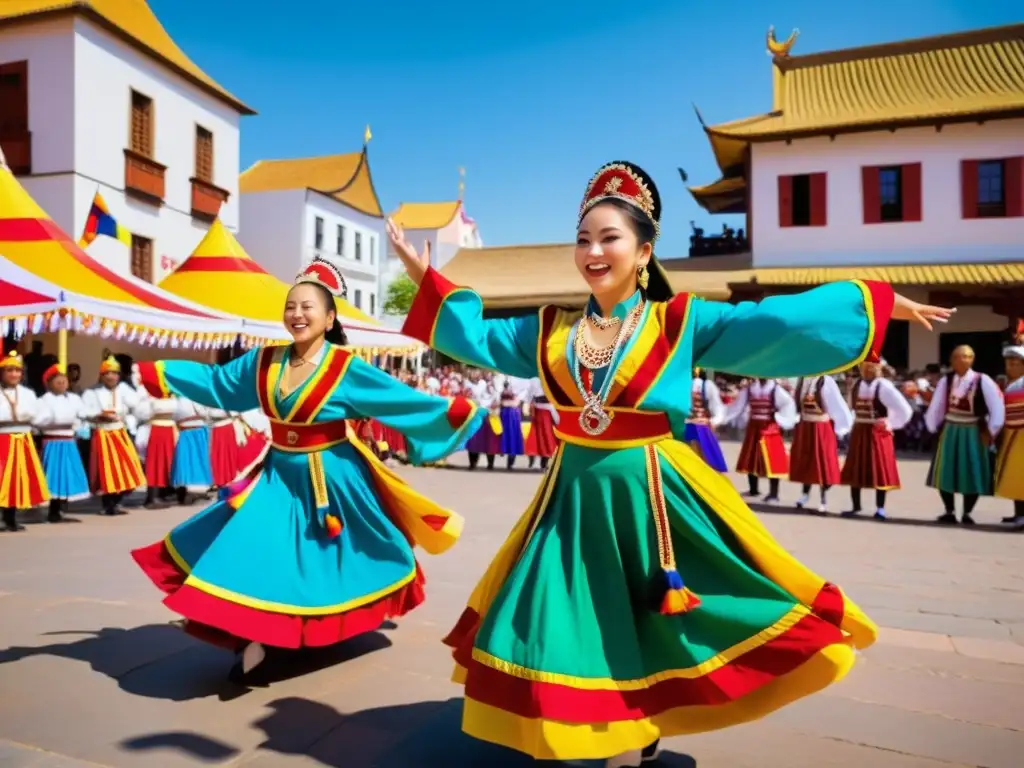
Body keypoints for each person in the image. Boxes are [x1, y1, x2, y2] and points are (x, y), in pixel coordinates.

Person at [388, 160, 951, 767]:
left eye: (610, 238)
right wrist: (427, 280)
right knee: (577, 611)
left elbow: (767, 322)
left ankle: (644, 719)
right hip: (572, 496)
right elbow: (482, 337)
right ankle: (601, 720)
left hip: (651, 493)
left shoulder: (678, 321)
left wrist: (876, 304)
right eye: (583, 239)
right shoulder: (551, 330)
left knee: (656, 612)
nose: (593, 251)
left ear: (644, 251)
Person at [130, 257, 485, 682]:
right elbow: (219, 383)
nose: (296, 315)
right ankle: (256, 636)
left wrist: (448, 412)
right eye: (290, 306)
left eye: (307, 307)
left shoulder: (345, 367)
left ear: (330, 316)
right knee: (258, 547)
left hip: (332, 478)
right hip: (279, 473)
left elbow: (395, 399)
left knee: (324, 561)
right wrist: (165, 371)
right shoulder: (264, 362)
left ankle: (299, 631)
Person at [924, 345, 1004, 525]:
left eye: (966, 357)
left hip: (973, 430)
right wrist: (933, 426)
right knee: (945, 470)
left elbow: (997, 407)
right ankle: (949, 511)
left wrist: (991, 431)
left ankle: (967, 512)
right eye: (958, 357)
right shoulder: (946, 381)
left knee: (973, 470)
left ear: (972, 359)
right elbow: (936, 405)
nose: (962, 360)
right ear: (952, 361)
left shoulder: (982, 380)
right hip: (950, 429)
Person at [839, 361, 914, 520]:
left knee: (880, 468)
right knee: (856, 467)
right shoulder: (857, 385)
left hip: (877, 432)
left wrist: (890, 423)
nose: (868, 369)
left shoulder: (884, 385)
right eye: (865, 366)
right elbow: (850, 408)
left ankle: (880, 508)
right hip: (860, 430)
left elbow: (904, 409)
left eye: (871, 366)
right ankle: (855, 506)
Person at [82, 356, 144, 516]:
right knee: (106, 470)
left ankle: (117, 500)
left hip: (120, 432)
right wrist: (98, 415)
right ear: (101, 375)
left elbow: (136, 404)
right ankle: (108, 504)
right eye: (107, 373)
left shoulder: (123, 389)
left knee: (126, 467)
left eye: (114, 373)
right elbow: (83, 412)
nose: (111, 377)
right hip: (102, 433)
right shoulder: (92, 391)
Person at [726, 377, 797, 504]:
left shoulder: (775, 389)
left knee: (773, 460)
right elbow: (738, 406)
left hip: (769, 427)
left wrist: (780, 418)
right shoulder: (750, 389)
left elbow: (788, 403)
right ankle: (754, 489)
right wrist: (727, 417)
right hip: (753, 426)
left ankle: (774, 494)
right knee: (751, 457)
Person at [788, 375, 853, 514]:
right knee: (806, 461)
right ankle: (805, 494)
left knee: (821, 462)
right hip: (806, 426)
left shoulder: (825, 381)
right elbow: (796, 403)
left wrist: (841, 428)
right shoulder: (802, 379)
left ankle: (824, 499)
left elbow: (837, 404)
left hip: (820, 427)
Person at [0, 351, 49, 532]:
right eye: (9, 370)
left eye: (17, 371)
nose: (14, 374)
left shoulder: (28, 394)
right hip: (2, 438)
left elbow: (39, 415)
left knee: (16, 480)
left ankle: (10, 518)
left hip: (23, 440)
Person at [34, 364, 90, 523]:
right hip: (52, 442)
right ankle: (53, 509)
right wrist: (54, 419)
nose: (62, 384)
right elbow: (38, 421)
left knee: (67, 474)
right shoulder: (43, 401)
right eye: (57, 381)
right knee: (53, 475)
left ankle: (62, 506)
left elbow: (82, 415)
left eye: (64, 381)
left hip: (68, 441)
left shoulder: (74, 399)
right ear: (49, 383)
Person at [996, 332, 1024, 528]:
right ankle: (1018, 513)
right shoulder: (1009, 385)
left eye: (1016, 363)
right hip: (1010, 434)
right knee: (1012, 476)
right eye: (1009, 363)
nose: (1011, 367)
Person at [683, 368, 728, 472]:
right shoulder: (705, 385)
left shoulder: (706, 385)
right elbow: (718, 408)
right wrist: (714, 421)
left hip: (697, 428)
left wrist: (713, 421)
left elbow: (718, 408)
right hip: (694, 426)